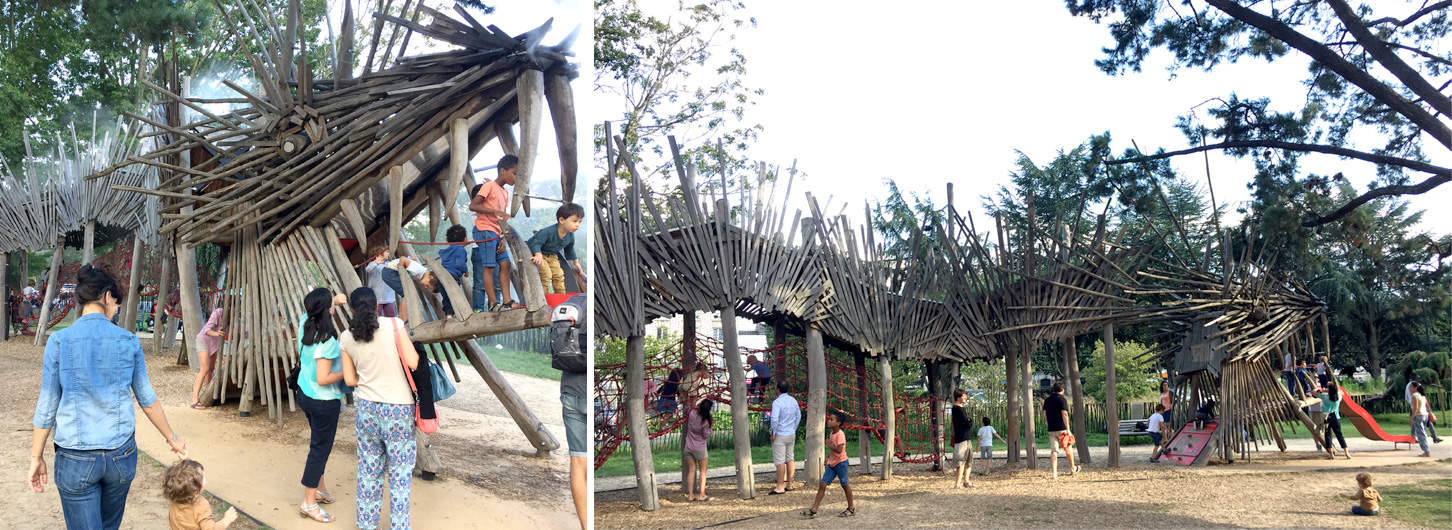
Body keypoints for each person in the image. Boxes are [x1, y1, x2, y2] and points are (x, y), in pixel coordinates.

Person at [29, 263, 187, 528]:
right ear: (105, 297)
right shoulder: (128, 341)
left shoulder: (59, 342)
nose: (117, 309)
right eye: (116, 303)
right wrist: (172, 439)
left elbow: (47, 405)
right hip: (120, 458)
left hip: (76, 457)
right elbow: (147, 398)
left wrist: (36, 457)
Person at [339, 287, 420, 529]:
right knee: (400, 474)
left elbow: (350, 381)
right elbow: (414, 362)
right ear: (377, 306)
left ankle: (366, 524)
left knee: (368, 471)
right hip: (399, 410)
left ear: (352, 310)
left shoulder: (346, 337)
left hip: (367, 410)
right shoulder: (394, 325)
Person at [295, 288, 349, 522]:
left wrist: (333, 301)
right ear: (327, 310)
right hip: (323, 400)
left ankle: (319, 488)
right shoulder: (326, 340)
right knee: (319, 450)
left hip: (304, 393)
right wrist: (347, 372)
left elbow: (319, 309)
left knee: (319, 443)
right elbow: (323, 378)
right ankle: (308, 502)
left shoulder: (305, 322)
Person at [468, 154, 520, 312]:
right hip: (484, 230)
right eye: (515, 173)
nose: (516, 178)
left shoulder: (505, 193)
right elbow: (473, 205)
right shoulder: (489, 186)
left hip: (497, 233)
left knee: (506, 264)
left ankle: (507, 300)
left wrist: (503, 237)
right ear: (502, 171)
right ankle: (492, 303)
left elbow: (501, 217)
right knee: (489, 266)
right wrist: (495, 211)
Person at [802, 410, 855, 518]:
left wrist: (829, 444)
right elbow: (833, 450)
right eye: (829, 419)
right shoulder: (832, 433)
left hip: (841, 463)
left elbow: (839, 450)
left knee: (845, 485)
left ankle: (851, 508)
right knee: (823, 484)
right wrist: (828, 458)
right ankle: (814, 509)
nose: (828, 421)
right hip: (832, 463)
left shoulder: (840, 434)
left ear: (838, 423)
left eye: (831, 419)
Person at [527, 203, 585, 294]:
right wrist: (538, 254)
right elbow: (535, 242)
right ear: (562, 220)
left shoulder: (570, 235)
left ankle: (561, 296)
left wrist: (577, 263)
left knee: (559, 275)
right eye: (575, 221)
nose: (578, 225)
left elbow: (570, 250)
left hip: (553, 256)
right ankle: (543, 297)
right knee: (546, 274)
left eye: (579, 222)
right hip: (538, 254)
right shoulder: (548, 231)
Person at [164, 459, 238, 530]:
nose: (205, 478)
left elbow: (182, 476)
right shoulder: (200, 505)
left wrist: (183, 459)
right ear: (195, 485)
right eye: (202, 477)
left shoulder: (176, 496)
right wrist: (226, 520)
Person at [379, 256, 439, 323]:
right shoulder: (419, 269)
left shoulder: (420, 271)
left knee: (405, 295)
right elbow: (402, 258)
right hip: (390, 272)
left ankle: (402, 319)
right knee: (407, 295)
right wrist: (402, 272)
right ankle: (404, 321)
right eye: (427, 285)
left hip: (388, 271)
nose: (425, 287)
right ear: (430, 277)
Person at [190, 306, 227, 409]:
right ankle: (194, 400)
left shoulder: (235, 317)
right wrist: (217, 333)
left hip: (214, 344)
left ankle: (208, 396)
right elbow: (207, 330)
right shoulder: (218, 312)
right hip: (204, 341)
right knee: (204, 369)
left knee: (211, 369)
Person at [769, 381, 801, 495]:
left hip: (780, 434)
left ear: (778, 389)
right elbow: (799, 416)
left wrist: (774, 432)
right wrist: (793, 428)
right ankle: (790, 484)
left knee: (780, 461)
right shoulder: (793, 400)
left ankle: (780, 486)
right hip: (791, 433)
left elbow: (774, 419)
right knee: (790, 458)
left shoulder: (777, 402)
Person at [1043, 381, 1077, 478]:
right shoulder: (1062, 399)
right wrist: (1068, 429)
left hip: (1051, 429)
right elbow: (1064, 414)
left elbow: (1044, 413)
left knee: (1054, 451)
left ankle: (1054, 473)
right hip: (1062, 428)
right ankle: (1072, 469)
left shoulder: (1047, 400)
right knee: (1068, 448)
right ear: (1062, 390)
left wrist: (1047, 422)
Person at [683, 399, 715, 502]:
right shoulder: (705, 421)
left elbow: (688, 407)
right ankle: (702, 495)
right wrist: (711, 426)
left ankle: (691, 495)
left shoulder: (692, 413)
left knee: (691, 471)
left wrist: (691, 399)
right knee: (703, 471)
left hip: (688, 447)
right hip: (700, 448)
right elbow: (706, 435)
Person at [438, 224, 471, 317]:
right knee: (454, 296)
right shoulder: (461, 249)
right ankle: (456, 313)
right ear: (465, 239)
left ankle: (449, 314)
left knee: (446, 297)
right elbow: (460, 263)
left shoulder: (447, 250)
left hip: (441, 277)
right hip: (452, 277)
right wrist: (466, 271)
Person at [1405, 375, 1443, 443]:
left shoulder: (1409, 385)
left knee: (1422, 422)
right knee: (1417, 422)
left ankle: (1433, 437)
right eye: (1418, 378)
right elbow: (1422, 396)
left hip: (1418, 407)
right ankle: (1414, 438)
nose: (1419, 379)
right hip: (1418, 407)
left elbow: (1413, 397)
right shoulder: (1414, 386)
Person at [364, 246, 398, 318]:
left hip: (388, 297)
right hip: (376, 298)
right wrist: (376, 262)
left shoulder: (388, 264)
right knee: (375, 317)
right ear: (379, 255)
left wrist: (409, 259)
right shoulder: (373, 264)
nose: (388, 253)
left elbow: (397, 263)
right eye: (386, 252)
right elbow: (367, 269)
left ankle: (391, 329)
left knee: (391, 317)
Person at [949, 389, 974, 488]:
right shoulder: (957, 408)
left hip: (966, 438)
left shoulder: (959, 408)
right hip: (961, 439)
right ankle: (957, 484)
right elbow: (966, 423)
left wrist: (968, 422)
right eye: (964, 396)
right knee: (961, 462)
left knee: (968, 462)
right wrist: (970, 422)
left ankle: (966, 481)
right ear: (958, 397)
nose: (965, 398)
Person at [1319, 384, 1350, 459]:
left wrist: (1324, 391)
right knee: (1339, 435)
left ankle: (1331, 454)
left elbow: (1314, 392)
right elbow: (1341, 391)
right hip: (1336, 417)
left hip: (1326, 417)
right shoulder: (1338, 396)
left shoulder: (1324, 397)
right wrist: (1332, 390)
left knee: (1328, 435)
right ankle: (1347, 453)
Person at [1409, 382, 1433, 457]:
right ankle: (1426, 450)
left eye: (1411, 387)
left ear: (1415, 388)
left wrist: (1411, 418)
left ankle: (1426, 451)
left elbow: (1415, 408)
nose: (1409, 388)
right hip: (1425, 415)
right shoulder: (1422, 396)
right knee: (1423, 433)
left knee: (1420, 435)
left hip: (1418, 416)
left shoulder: (1415, 395)